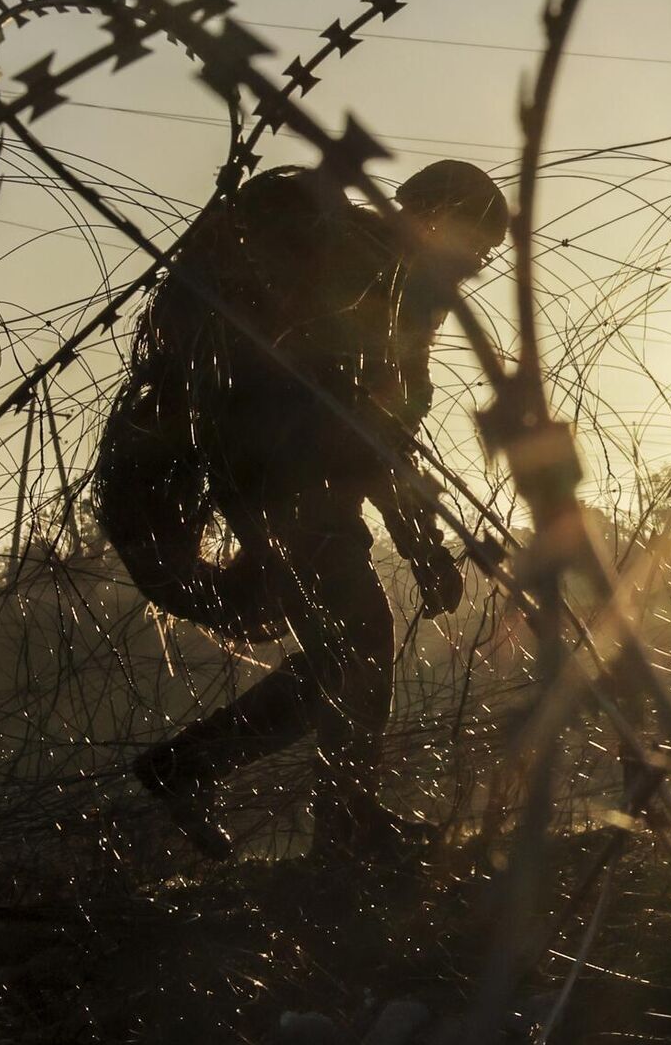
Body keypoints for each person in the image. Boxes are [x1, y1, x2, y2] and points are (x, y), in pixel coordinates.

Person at [97, 160, 508, 861]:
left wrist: (421, 540)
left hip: (279, 471)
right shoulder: (378, 269)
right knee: (360, 634)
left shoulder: (383, 266)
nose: (478, 263)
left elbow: (383, 432)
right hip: (286, 475)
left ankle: (194, 768)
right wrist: (422, 546)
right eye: (478, 244)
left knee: (342, 649)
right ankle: (340, 825)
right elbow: (376, 427)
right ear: (442, 218)